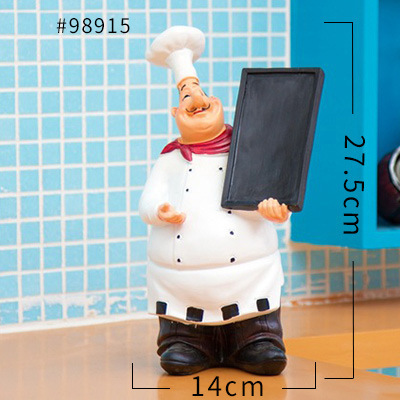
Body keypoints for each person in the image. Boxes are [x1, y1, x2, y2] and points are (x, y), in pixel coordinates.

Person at [139, 26, 289, 376]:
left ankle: (255, 341)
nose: (195, 98)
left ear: (218, 103)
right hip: (182, 280)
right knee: (184, 321)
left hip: (249, 272)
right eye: (185, 96)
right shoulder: (169, 159)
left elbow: (268, 193)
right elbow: (148, 201)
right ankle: (187, 343)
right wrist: (159, 211)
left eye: (201, 92)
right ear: (176, 114)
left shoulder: (247, 150)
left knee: (253, 314)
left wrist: (273, 209)